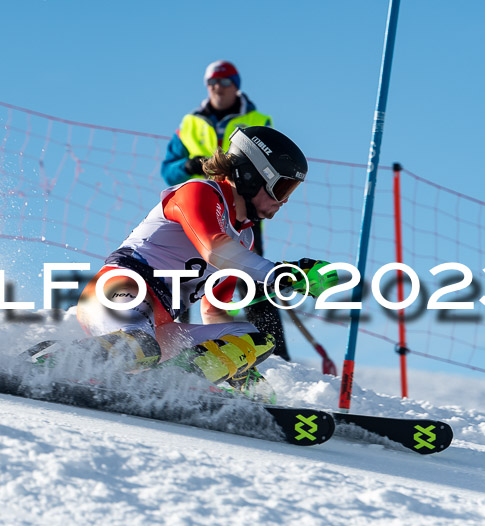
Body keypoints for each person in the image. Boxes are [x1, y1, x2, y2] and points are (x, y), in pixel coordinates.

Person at [59, 126, 337, 394]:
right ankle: (50, 364)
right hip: (116, 297)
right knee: (140, 347)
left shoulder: (244, 238)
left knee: (254, 338)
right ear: (253, 175)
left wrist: (238, 364)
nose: (284, 201)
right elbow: (213, 249)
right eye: (282, 188)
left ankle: (174, 386)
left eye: (291, 191)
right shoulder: (200, 193)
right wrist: (283, 274)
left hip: (159, 328)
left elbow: (213, 311)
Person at [160, 60, 292, 360]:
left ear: (236, 85)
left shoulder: (257, 119)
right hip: (199, 205)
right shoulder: (191, 123)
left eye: (224, 81)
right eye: (212, 82)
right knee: (184, 274)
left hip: (242, 208)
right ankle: (178, 342)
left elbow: (272, 164)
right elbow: (168, 171)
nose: (217, 87)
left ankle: (277, 354)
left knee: (249, 272)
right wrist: (189, 166)